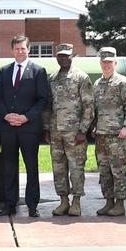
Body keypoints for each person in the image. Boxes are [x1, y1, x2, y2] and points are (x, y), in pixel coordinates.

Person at [0, 35, 50, 217]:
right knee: (9, 168)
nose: (20, 51)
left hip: (29, 128)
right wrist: (6, 115)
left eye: (23, 48)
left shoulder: (38, 71)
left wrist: (26, 117)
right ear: (12, 50)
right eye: (17, 48)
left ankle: (32, 205)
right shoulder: (4, 71)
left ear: (29, 49)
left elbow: (42, 99)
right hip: (8, 127)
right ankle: (10, 204)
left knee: (31, 167)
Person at [44, 43, 94, 217]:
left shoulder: (81, 77)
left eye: (67, 55)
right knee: (58, 168)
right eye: (61, 56)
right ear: (57, 57)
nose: (64, 58)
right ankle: (63, 201)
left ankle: (76, 202)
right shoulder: (52, 79)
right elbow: (48, 106)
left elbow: (89, 106)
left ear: (72, 56)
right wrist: (47, 129)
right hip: (56, 131)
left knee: (76, 167)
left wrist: (83, 130)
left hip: (75, 132)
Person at [89, 47, 126, 217]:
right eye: (104, 62)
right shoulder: (97, 84)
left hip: (118, 135)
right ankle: (108, 202)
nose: (106, 65)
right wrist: (95, 126)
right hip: (101, 135)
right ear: (100, 63)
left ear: (115, 63)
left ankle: (120, 203)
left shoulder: (123, 83)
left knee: (118, 170)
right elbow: (96, 109)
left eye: (110, 62)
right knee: (104, 171)